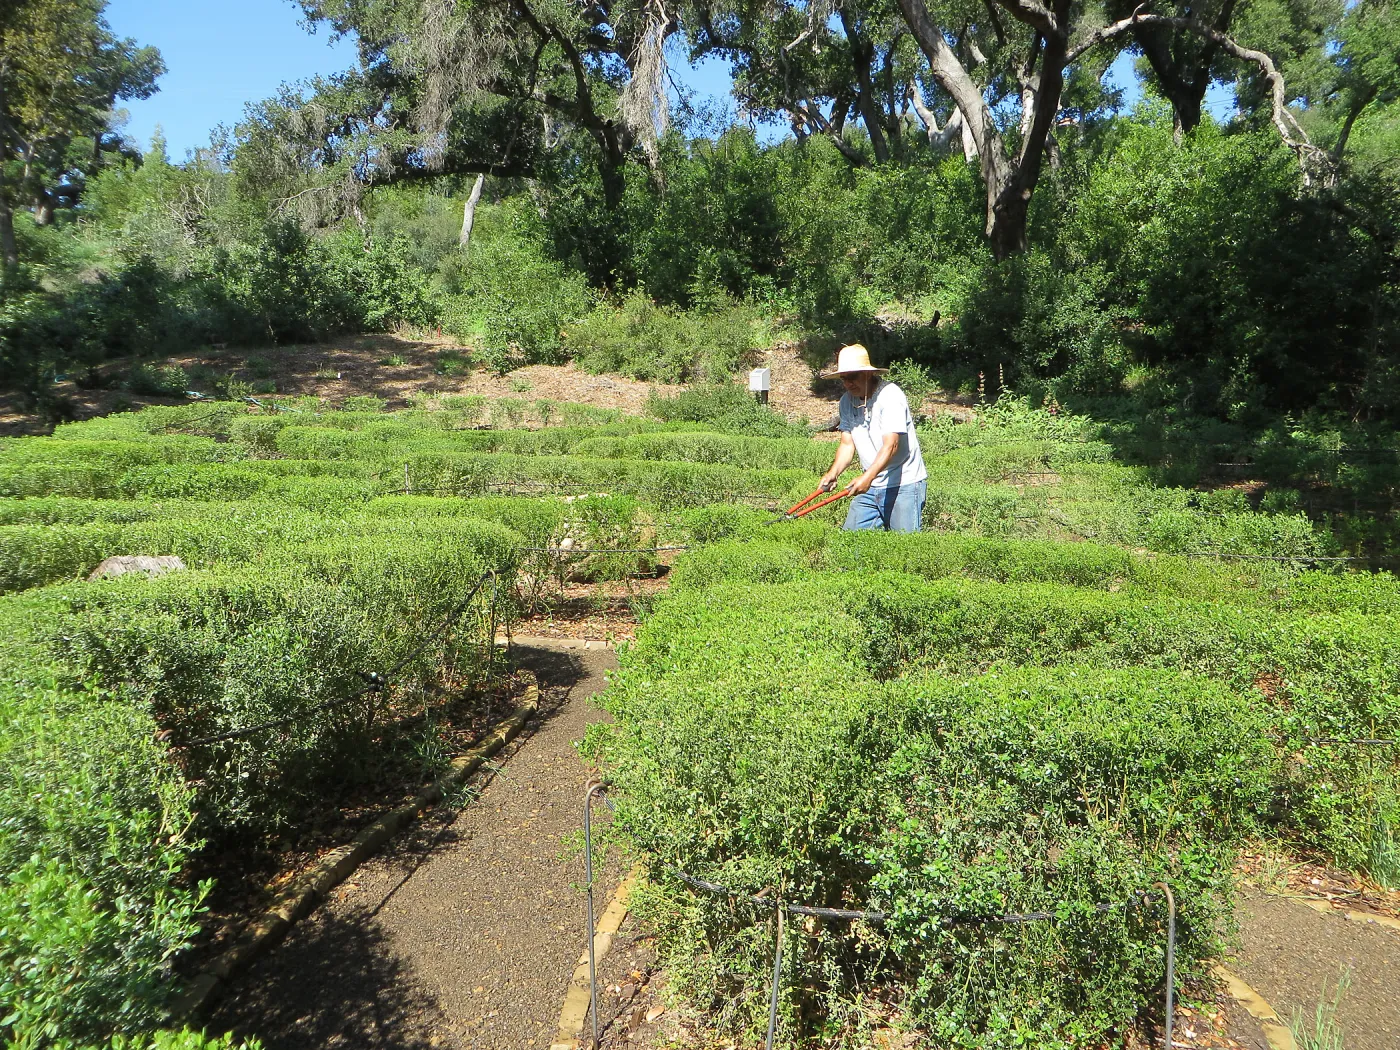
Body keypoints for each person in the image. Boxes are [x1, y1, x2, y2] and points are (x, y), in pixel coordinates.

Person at [818, 344, 927, 532]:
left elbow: (891, 445)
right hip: (870, 485)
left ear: (868, 374)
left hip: (903, 485)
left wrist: (867, 477)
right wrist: (833, 473)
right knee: (849, 542)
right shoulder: (846, 401)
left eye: (853, 377)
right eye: (844, 379)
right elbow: (847, 444)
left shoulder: (890, 396)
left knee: (903, 549)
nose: (848, 383)